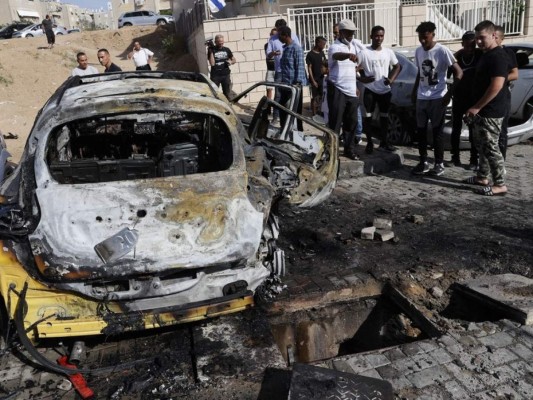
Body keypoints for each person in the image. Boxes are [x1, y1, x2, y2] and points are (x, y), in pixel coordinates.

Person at [411, 21, 462, 176]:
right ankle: (423, 161)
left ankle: (439, 163)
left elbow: (459, 73)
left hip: (438, 97)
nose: (423, 41)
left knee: (437, 131)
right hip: (422, 97)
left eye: (425, 37)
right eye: (420, 37)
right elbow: (420, 73)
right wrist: (414, 91)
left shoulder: (442, 50)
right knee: (420, 131)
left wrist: (449, 94)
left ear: (433, 34)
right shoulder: (418, 51)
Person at [463, 20, 508, 196]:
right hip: (481, 111)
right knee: (482, 145)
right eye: (477, 39)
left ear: (494, 35)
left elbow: (496, 86)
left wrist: (477, 107)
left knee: (491, 147)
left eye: (482, 38)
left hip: (491, 112)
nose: (478, 42)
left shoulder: (497, 56)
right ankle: (482, 176)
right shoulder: (486, 54)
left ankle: (500, 184)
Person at [358, 25, 402, 154]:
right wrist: (362, 79)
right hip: (369, 90)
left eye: (381, 36)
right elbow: (354, 67)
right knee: (368, 118)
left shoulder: (388, 52)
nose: (379, 38)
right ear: (371, 36)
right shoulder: (364, 52)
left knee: (384, 117)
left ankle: (384, 142)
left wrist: (391, 79)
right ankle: (370, 143)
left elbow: (397, 66)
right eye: (376, 35)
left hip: (384, 90)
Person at [448, 31, 483, 169]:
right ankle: (454, 157)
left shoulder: (479, 56)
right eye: (467, 46)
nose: (469, 49)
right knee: (455, 128)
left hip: (473, 99)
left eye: (472, 46)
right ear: (462, 44)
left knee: (473, 130)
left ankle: (474, 160)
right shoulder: (457, 58)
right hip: (458, 97)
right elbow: (448, 73)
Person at [327, 19, 360, 160]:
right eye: (348, 33)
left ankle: (349, 149)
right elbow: (336, 56)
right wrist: (347, 55)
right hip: (337, 89)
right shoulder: (334, 46)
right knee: (335, 123)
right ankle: (332, 152)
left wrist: (356, 86)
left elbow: (353, 69)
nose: (351, 35)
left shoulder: (353, 46)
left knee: (351, 123)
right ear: (340, 33)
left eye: (352, 33)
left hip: (351, 90)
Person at [266, 19, 301, 123]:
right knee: (278, 95)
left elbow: (297, 52)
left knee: (292, 95)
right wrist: (272, 53)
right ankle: (276, 117)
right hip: (279, 71)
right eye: (278, 30)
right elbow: (268, 54)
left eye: (281, 31)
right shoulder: (272, 39)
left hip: (291, 71)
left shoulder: (293, 36)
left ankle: (292, 118)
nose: (279, 33)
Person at [495, 25, 518, 160]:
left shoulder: (507, 53)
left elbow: (515, 74)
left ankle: (501, 160)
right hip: (486, 98)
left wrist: (497, 80)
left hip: (502, 96)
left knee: (502, 130)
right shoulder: (485, 54)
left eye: (496, 37)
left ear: (501, 38)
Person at [278, 26, 307, 131]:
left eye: (279, 35)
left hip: (294, 86)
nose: (278, 38)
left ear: (286, 35)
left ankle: (299, 132)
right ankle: (284, 130)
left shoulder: (296, 49)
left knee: (296, 111)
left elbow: (299, 67)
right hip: (285, 85)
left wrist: (297, 84)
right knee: (282, 108)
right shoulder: (285, 48)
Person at [207, 34, 236, 100]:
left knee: (227, 94)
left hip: (226, 75)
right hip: (215, 76)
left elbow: (234, 60)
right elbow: (212, 64)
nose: (221, 44)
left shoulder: (227, 49)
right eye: (219, 43)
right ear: (215, 42)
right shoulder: (211, 50)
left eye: (222, 42)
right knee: (214, 93)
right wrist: (211, 52)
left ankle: (227, 107)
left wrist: (230, 62)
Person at [306, 36, 327, 116]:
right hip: (314, 80)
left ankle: (320, 113)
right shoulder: (310, 54)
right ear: (318, 43)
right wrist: (313, 81)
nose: (324, 46)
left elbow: (324, 63)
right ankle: (314, 114)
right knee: (315, 97)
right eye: (323, 44)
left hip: (322, 79)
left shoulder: (322, 53)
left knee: (322, 96)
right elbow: (309, 68)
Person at [264, 28, 277, 103]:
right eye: (272, 34)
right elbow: (268, 55)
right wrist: (273, 53)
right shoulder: (267, 45)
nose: (274, 36)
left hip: (278, 70)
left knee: (279, 91)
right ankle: (268, 106)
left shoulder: (280, 43)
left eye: (275, 35)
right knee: (269, 89)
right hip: (270, 70)